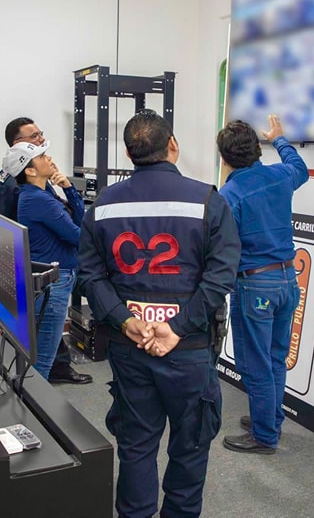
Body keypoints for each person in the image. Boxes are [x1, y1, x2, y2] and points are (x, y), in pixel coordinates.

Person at [77, 109, 240, 518]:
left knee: (135, 445)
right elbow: (220, 278)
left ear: (129, 154)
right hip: (189, 350)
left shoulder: (101, 206)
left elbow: (90, 277)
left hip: (129, 347)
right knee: (190, 446)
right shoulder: (209, 201)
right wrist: (177, 328)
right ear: (172, 146)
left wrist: (126, 320)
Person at [216, 115, 309, 455]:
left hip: (255, 285)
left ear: (224, 158)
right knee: (275, 358)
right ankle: (270, 419)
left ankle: (265, 435)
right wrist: (279, 139)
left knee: (256, 364)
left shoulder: (229, 194)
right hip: (288, 280)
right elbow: (300, 168)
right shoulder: (280, 175)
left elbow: (224, 248)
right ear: (258, 148)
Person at [0, 116, 93, 385]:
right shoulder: (18, 189)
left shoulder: (42, 190)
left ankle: (52, 375)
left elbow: (72, 222)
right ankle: (35, 401)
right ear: (17, 144)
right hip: (43, 273)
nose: (42, 141)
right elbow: (0, 231)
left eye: (40, 135)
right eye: (34, 138)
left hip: (51, 270)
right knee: (40, 356)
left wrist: (68, 188)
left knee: (42, 347)